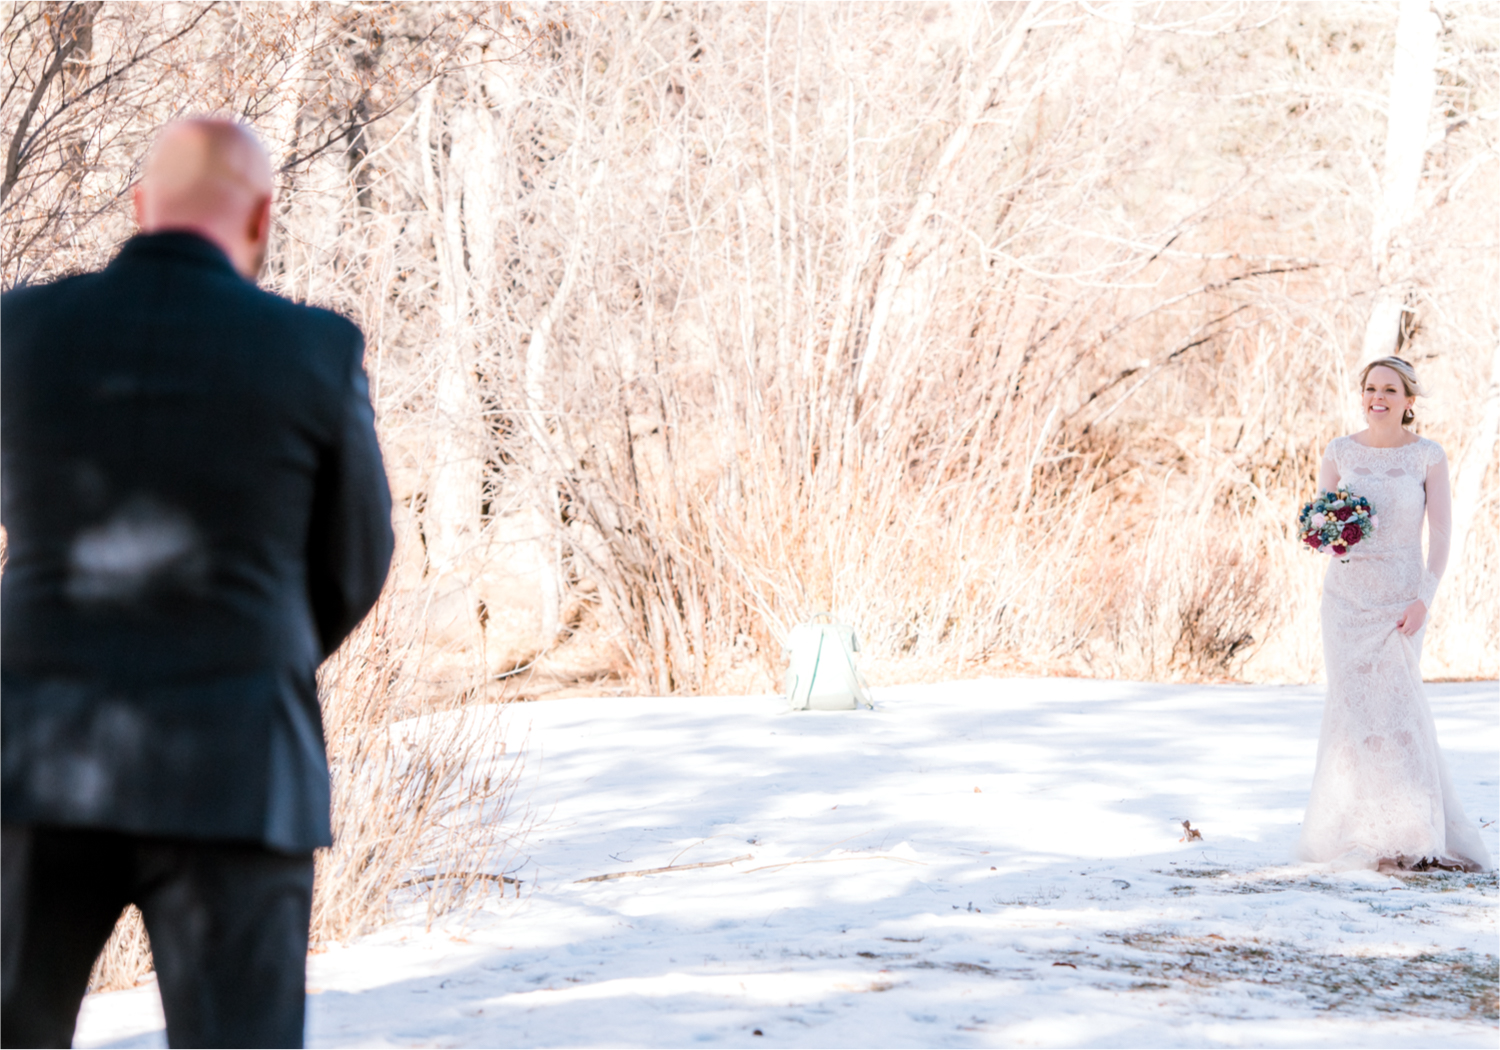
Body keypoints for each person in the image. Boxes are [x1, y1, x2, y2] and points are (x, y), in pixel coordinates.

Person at [1, 120, 394, 1047]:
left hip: (36, 757)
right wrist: (261, 647)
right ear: (261, 218)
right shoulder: (313, 349)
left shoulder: (19, 331)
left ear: (141, 208)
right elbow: (357, 559)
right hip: (239, 769)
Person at [1297, 356, 1490, 873]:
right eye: (1370, 388)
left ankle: (1413, 832)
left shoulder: (1428, 456)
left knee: (1400, 714)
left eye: (1388, 389)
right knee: (1352, 715)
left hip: (1401, 602)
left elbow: (1442, 535)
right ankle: (1358, 832)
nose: (1376, 397)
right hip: (1346, 601)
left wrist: (1424, 598)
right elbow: (1323, 524)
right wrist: (1328, 532)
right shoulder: (1339, 451)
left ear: (1408, 400)